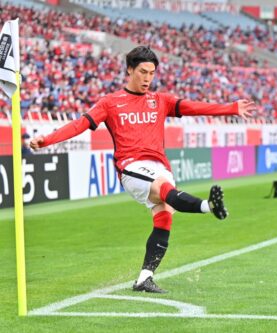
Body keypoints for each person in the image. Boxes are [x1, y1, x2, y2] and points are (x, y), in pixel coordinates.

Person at [30, 46, 256, 293]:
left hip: (159, 165)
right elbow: (80, 124)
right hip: (132, 167)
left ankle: (144, 278)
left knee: (164, 216)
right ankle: (208, 206)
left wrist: (231, 108)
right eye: (143, 72)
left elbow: (194, 107)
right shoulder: (110, 102)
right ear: (130, 70)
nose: (148, 78)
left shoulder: (160, 100)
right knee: (165, 189)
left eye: (152, 72)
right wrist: (47, 140)